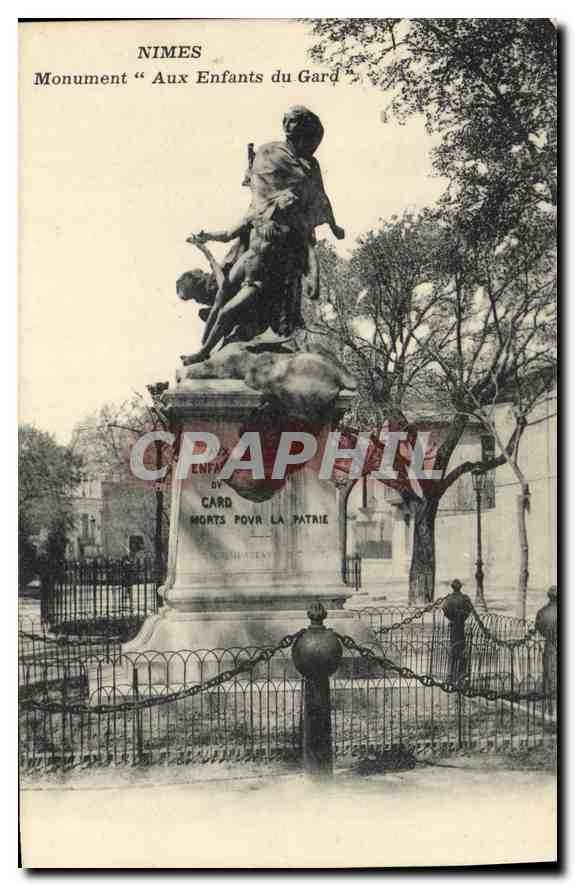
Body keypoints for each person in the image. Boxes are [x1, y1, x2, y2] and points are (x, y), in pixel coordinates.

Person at [180, 106, 344, 366]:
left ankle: (204, 353)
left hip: (259, 277)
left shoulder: (293, 217)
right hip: (247, 261)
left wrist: (315, 276)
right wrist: (206, 238)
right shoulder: (267, 165)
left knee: (228, 309)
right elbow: (230, 230)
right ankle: (204, 351)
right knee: (223, 295)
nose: (289, 126)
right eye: (287, 121)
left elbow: (307, 240)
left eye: (296, 123)